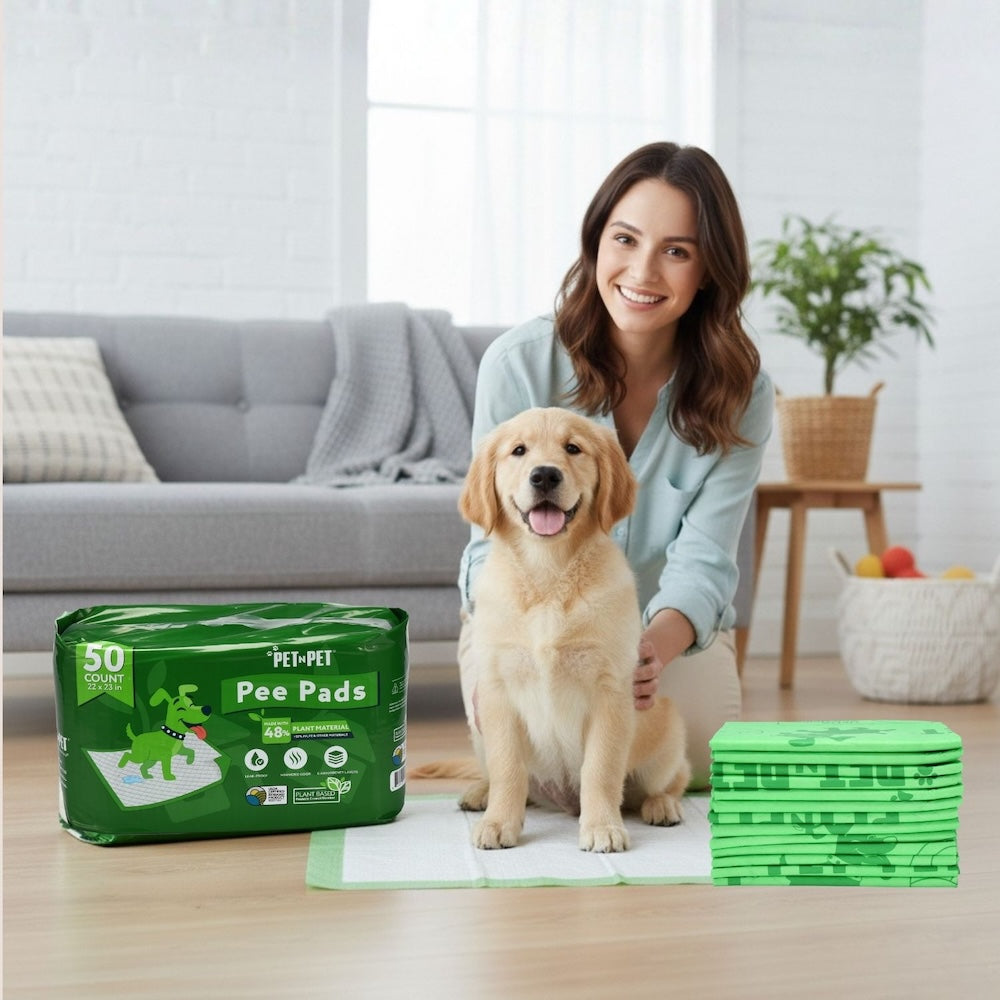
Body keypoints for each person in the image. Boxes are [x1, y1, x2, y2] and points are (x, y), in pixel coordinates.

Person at [457, 141, 774, 788]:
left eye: (677, 251)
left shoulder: (742, 393)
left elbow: (708, 559)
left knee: (694, 759)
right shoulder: (518, 364)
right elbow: (490, 537)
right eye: (625, 239)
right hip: (524, 622)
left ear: (709, 269)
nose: (643, 271)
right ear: (596, 243)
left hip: (659, 625)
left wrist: (648, 648)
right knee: (539, 775)